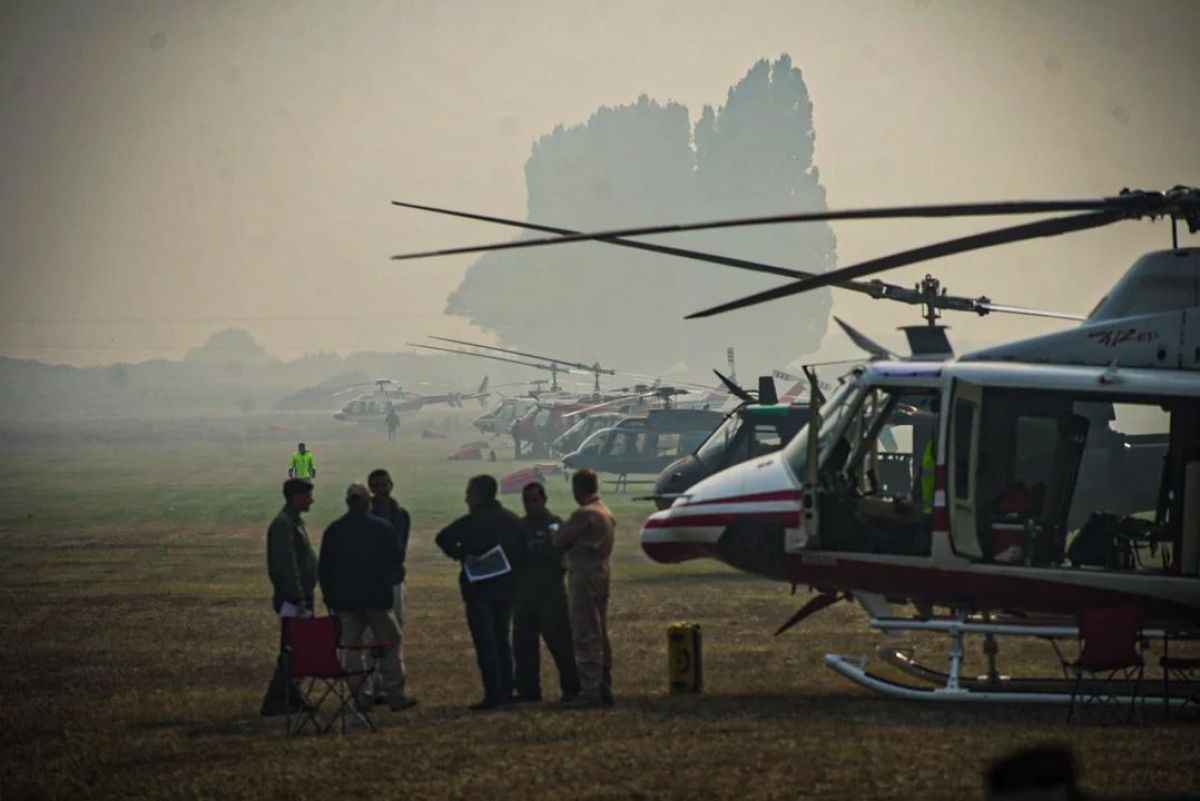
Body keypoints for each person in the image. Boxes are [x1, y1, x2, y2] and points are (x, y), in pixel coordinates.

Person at [318, 484, 416, 712]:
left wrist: (330, 597)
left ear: (347, 502)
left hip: (344, 603)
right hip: (376, 601)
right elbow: (396, 562)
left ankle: (362, 695)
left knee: (351, 649)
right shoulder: (383, 529)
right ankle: (394, 693)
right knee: (390, 642)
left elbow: (324, 569)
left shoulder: (334, 530)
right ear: (368, 502)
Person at [434, 475, 527, 710]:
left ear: (478, 495)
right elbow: (524, 552)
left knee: (485, 643)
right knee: (502, 639)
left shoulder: (471, 522)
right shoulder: (512, 520)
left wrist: (462, 554)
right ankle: (507, 688)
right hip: (507, 590)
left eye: (469, 493)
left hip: (478, 591)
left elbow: (442, 538)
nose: (466, 498)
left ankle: (493, 693)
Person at [552, 469, 616, 708]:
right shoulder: (605, 511)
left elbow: (558, 540)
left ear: (577, 488)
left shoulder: (584, 514)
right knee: (600, 632)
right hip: (601, 572)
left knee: (585, 632)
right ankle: (604, 685)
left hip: (583, 575)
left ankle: (589, 691)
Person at [513, 482, 580, 703]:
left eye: (534, 500)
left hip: (549, 593)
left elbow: (557, 552)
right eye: (526, 501)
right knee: (523, 646)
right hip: (524, 594)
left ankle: (571, 689)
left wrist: (533, 552)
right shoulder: (520, 526)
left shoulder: (555, 524)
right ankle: (528, 690)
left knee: (560, 644)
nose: (530, 505)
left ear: (544, 500)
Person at [260, 478, 318, 716]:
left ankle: (290, 696)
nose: (311, 501)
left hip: (299, 598)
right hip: (294, 601)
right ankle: (278, 698)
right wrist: (298, 598)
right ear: (296, 497)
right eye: (308, 496)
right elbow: (286, 566)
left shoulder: (292, 522)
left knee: (298, 649)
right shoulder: (284, 525)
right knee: (293, 649)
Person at [367, 468, 413, 705]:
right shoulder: (368, 516)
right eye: (377, 486)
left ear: (391, 485)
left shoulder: (401, 514)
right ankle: (376, 686)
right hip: (374, 582)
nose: (382, 490)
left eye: (384, 485)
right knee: (373, 635)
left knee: (395, 631)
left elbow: (400, 549)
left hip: (394, 580)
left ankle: (391, 684)